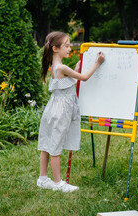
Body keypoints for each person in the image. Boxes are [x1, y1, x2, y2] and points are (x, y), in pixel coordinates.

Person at [37, 31, 105, 192]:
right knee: (55, 145)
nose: (69, 49)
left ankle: (42, 178)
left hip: (53, 108)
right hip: (61, 111)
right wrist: (98, 63)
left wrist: (74, 69)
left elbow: (65, 82)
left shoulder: (55, 67)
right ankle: (58, 183)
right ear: (55, 48)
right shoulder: (62, 67)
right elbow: (85, 77)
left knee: (47, 144)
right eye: (66, 46)